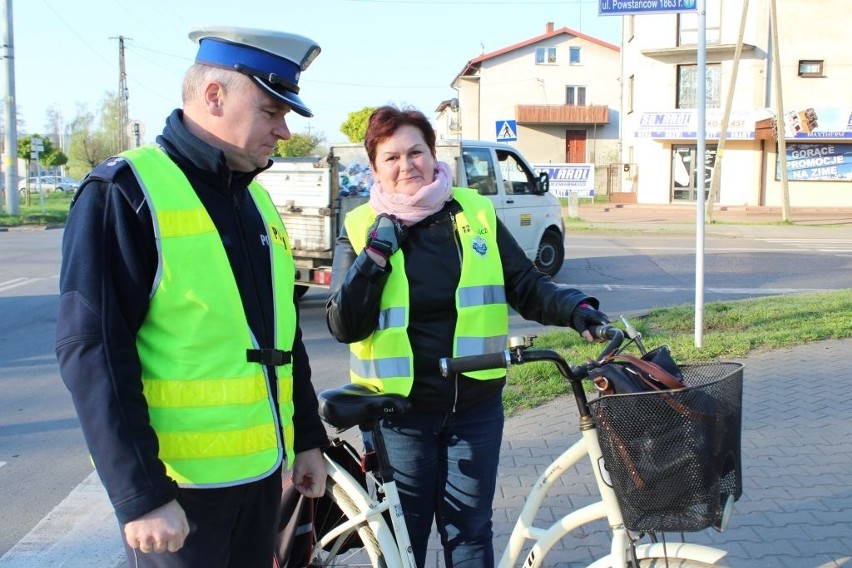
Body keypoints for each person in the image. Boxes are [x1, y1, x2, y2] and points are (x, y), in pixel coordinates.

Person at [55, 26, 328, 567]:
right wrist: (141, 495)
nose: (284, 131)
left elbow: (282, 340)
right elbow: (94, 352)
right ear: (213, 96)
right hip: (178, 496)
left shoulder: (257, 203)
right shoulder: (127, 192)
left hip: (259, 482)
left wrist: (307, 439)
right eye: (272, 111)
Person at [325, 105, 610, 567]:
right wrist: (376, 253)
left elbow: (526, 285)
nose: (406, 165)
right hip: (402, 414)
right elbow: (345, 325)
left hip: (474, 407)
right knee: (405, 541)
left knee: (471, 533)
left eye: (415, 152)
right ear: (374, 167)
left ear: (433, 154)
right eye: (391, 157)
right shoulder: (360, 227)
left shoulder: (474, 214)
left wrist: (579, 311)